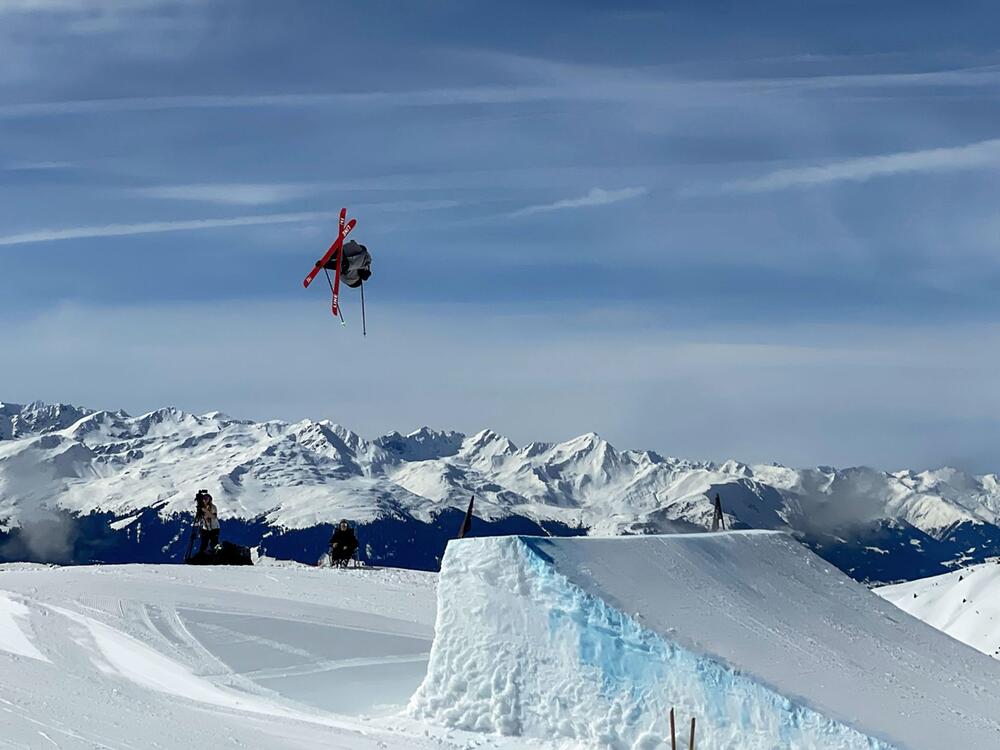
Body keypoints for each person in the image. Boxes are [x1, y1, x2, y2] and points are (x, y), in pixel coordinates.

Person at [196, 490, 221, 556]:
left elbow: (214, 516)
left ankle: (215, 557)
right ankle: (201, 556)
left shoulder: (213, 507)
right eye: (204, 498)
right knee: (204, 544)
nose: (205, 500)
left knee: (214, 544)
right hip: (205, 529)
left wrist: (205, 511)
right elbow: (199, 519)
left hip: (214, 528)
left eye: (207, 499)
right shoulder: (201, 508)